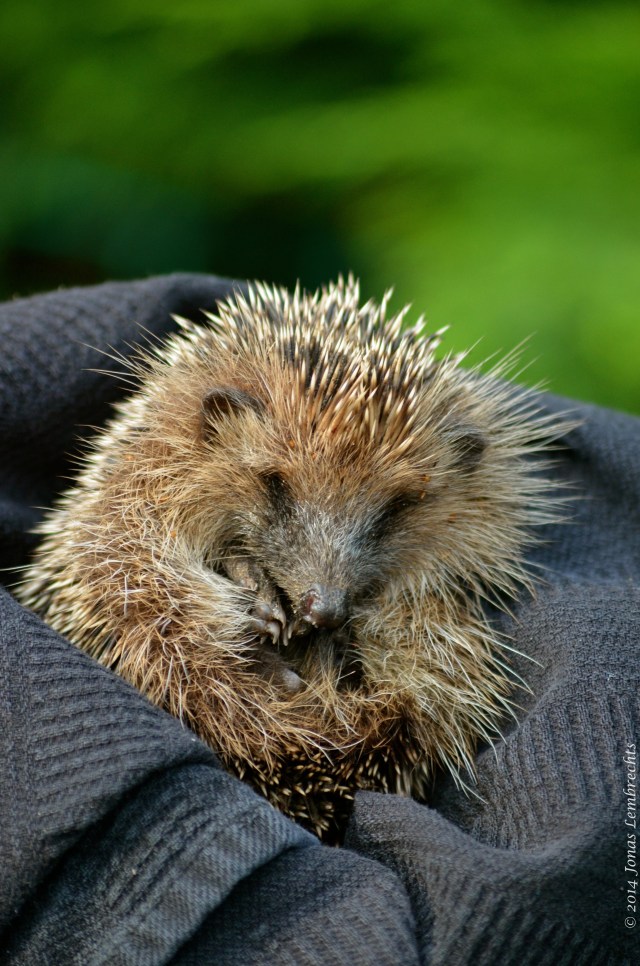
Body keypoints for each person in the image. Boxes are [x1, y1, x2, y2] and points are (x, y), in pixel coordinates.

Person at [0, 274, 637, 964]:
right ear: (216, 423)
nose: (324, 592)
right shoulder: (161, 465)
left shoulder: (486, 536)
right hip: (184, 703)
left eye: (389, 514)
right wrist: (235, 583)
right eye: (278, 489)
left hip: (338, 761)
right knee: (141, 597)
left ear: (460, 469)